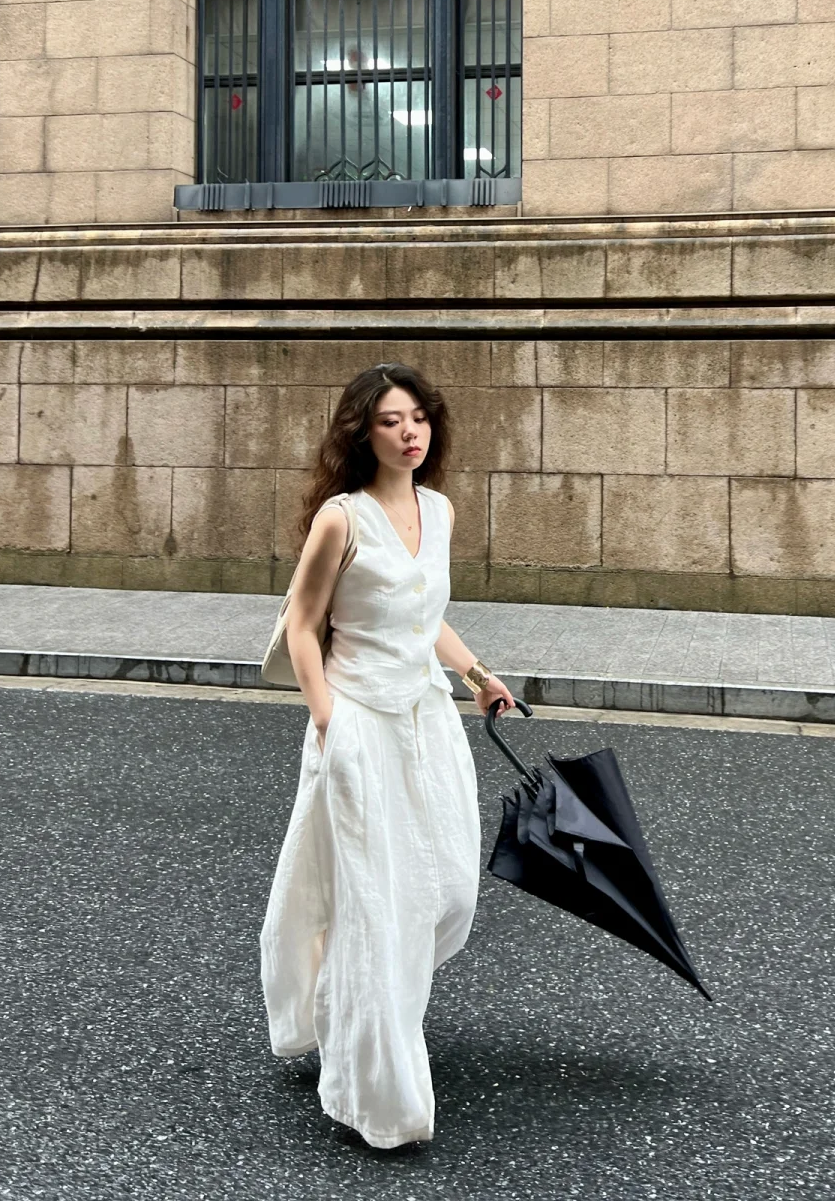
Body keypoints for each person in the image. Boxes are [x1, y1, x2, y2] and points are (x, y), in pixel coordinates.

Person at [259, 361, 515, 1150]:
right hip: (359, 722)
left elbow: (422, 609)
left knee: (444, 893)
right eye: (390, 421)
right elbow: (302, 627)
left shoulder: (436, 510)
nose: (409, 433)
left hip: (425, 720)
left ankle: (347, 997)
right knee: (380, 906)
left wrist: (476, 674)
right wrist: (331, 724)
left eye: (418, 419)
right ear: (360, 434)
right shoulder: (341, 518)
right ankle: (379, 1094)